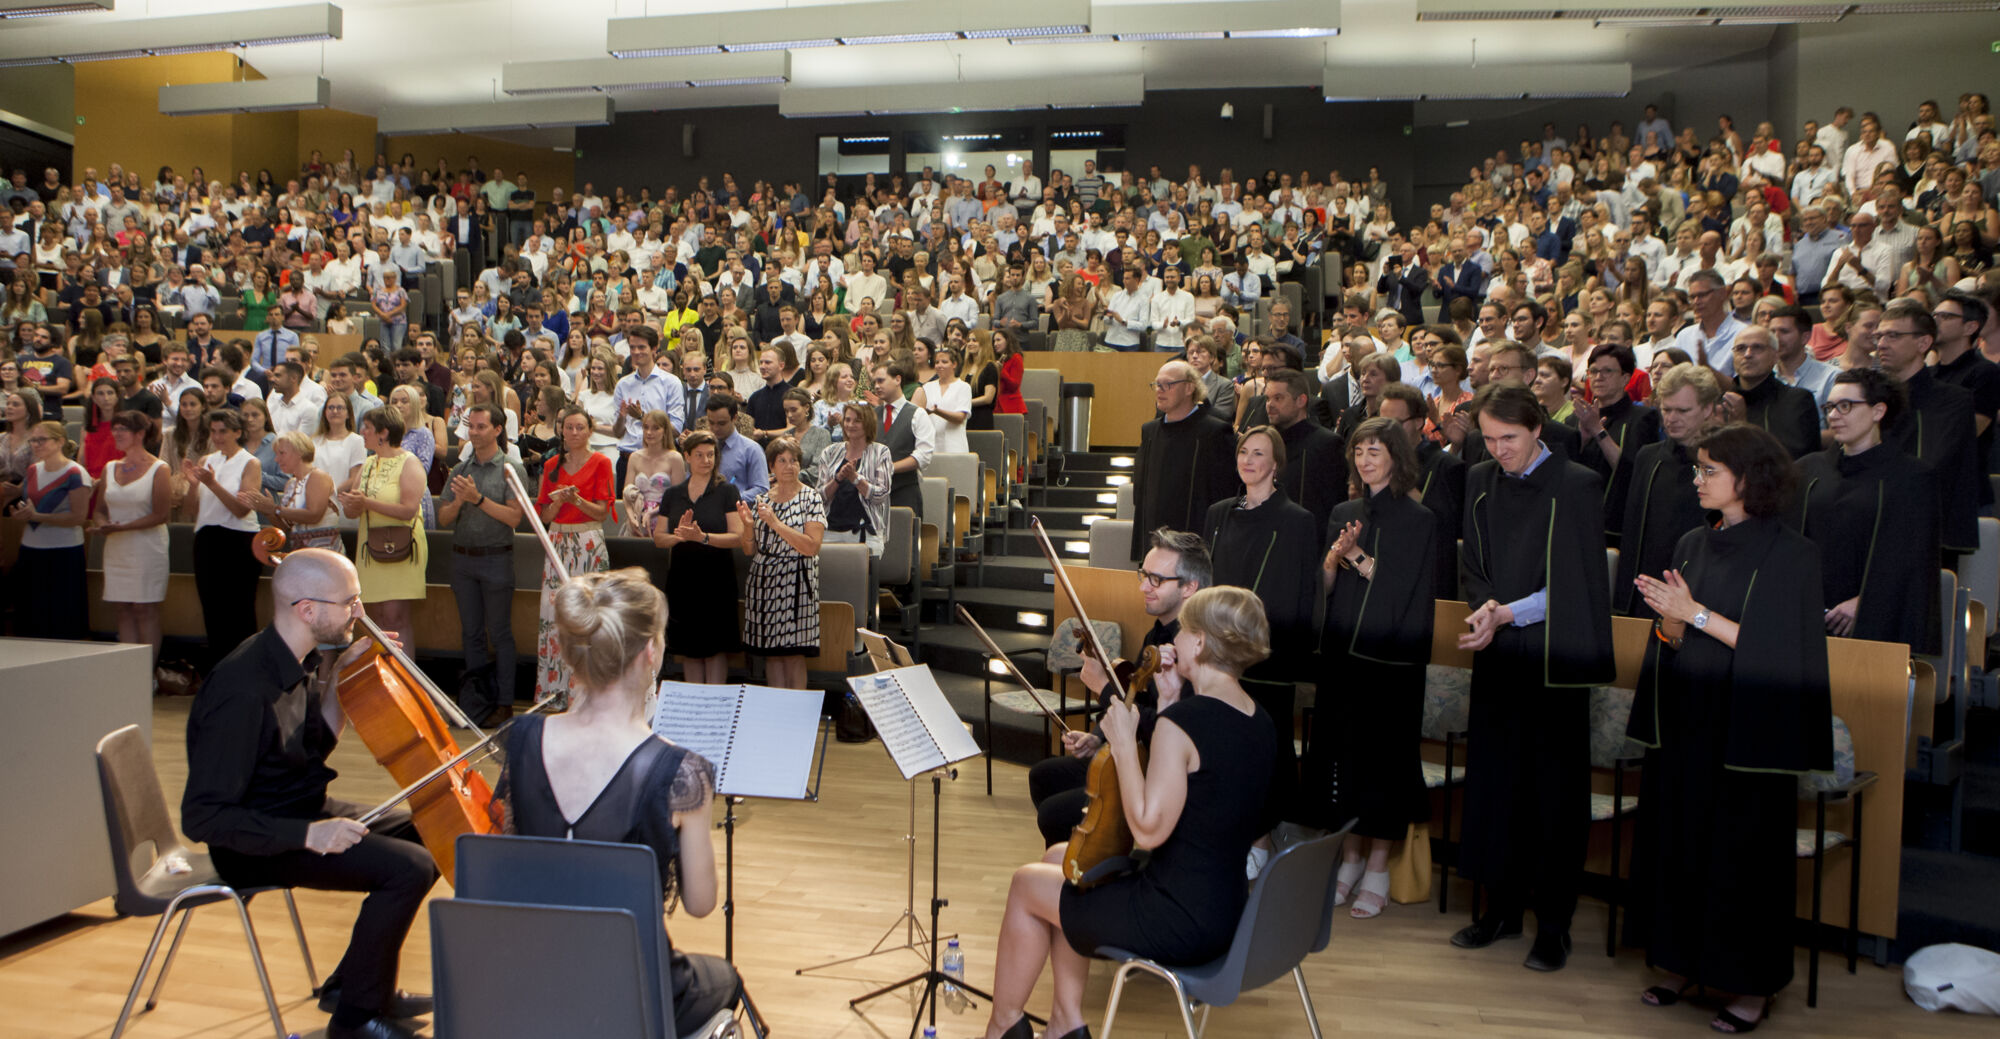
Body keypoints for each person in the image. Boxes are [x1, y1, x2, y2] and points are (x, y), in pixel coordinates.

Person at [978, 586, 1276, 1039]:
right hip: (1225, 907)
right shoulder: (1258, 718)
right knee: (1064, 858)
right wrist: (1172, 702)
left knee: (1024, 885)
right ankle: (1065, 1024)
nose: (1176, 643)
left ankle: (1002, 1027)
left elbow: (1148, 830)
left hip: (1175, 918)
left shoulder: (1186, 724)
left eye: (1185, 633)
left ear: (1200, 643)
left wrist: (1121, 740)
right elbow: (1200, 792)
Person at [180, 548, 439, 1039]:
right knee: (409, 868)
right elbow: (204, 818)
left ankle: (355, 984)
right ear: (308, 610)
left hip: (295, 809)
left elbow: (311, 749)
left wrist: (342, 677)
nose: (360, 613)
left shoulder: (297, 658)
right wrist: (309, 835)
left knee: (429, 826)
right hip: (253, 843)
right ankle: (357, 1019)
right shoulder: (241, 689)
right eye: (351, 603)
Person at [1628, 424, 1831, 1035]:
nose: (1698, 480)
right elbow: (1674, 635)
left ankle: (1749, 986)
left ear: (1748, 480)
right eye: (1698, 470)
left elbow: (1775, 650)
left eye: (1709, 470)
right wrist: (1671, 623)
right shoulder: (1693, 541)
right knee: (1680, 846)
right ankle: (1680, 962)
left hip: (1749, 733)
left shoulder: (1794, 554)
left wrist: (1692, 612)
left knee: (1741, 862)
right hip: (1689, 717)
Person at [494, 567, 744, 1035]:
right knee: (725, 979)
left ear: (571, 654)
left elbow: (511, 858)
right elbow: (701, 902)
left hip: (531, 971)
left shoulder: (522, 738)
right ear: (650, 652)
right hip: (634, 981)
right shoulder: (681, 770)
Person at [1453, 384, 1615, 973]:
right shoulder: (1479, 481)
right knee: (1497, 790)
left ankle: (1553, 927)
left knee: (1551, 800)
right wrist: (1483, 609)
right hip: (1499, 656)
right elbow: (1474, 567)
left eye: (1510, 439)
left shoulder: (1576, 486)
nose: (1499, 450)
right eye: (1489, 439)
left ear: (1538, 429)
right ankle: (1499, 911)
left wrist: (1505, 613)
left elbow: (1573, 587)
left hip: (1554, 661)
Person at [1305, 417, 1438, 919]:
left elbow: (1401, 589)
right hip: (1343, 658)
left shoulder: (1419, 518)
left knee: (1383, 765)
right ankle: (1350, 856)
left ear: (1397, 458)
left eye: (1375, 450)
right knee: (1342, 759)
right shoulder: (1343, 509)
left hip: (1391, 665)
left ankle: (1378, 863)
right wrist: (1334, 561)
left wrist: (1356, 555)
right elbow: (1328, 586)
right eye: (1359, 450)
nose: (1364, 459)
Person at [1027, 528, 1210, 847]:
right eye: (1144, 575)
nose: (1142, 586)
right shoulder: (1158, 634)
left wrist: (1103, 688)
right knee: (1043, 776)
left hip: (1157, 773)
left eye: (1155, 579)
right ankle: (1073, 863)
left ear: (1189, 588)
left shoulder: (1195, 652)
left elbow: (1167, 730)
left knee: (1054, 814)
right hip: (1136, 755)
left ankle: (1090, 868)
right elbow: (1134, 696)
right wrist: (1097, 737)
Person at [1202, 425, 1318, 838]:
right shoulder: (1218, 514)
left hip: (1268, 656)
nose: (1248, 460)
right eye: (1243, 452)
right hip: (1218, 653)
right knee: (1223, 747)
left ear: (1276, 464)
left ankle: (1271, 837)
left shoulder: (1298, 521)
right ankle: (1233, 833)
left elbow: (1302, 596)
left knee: (1268, 750)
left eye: (1258, 454)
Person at [1791, 369, 1941, 655]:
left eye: (1845, 405)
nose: (1834, 415)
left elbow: (1913, 557)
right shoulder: (1808, 469)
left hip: (1878, 617)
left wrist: (1865, 602)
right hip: (1808, 612)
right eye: (1830, 407)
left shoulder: (1913, 476)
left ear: (1878, 411)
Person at [437, 404, 529, 724]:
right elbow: (444, 518)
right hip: (463, 559)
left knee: (501, 633)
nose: (474, 432)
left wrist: (477, 500)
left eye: (480, 427)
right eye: (471, 427)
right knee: (471, 633)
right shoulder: (460, 470)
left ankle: (504, 703)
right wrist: (461, 500)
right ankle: (475, 700)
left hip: (496, 558)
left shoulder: (511, 469)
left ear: (498, 430)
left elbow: (515, 517)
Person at [1616, 363, 1723, 619]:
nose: (1672, 418)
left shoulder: (1728, 461)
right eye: (1667, 409)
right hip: (1647, 591)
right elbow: (1631, 531)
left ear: (1708, 409)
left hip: (1703, 595)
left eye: (1683, 410)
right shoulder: (1649, 457)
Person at [1876, 298, 1980, 560]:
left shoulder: (1952, 400)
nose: (1881, 344)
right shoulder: (1872, 394)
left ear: (1923, 343)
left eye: (1893, 335)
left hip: (1927, 529)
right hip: (1873, 518)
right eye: (1879, 335)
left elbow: (1934, 464)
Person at [535, 407, 616, 705]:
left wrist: (576, 499)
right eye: (568, 427)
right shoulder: (552, 465)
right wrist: (559, 503)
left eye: (580, 427)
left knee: (589, 613)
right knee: (555, 614)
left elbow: (602, 512)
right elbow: (544, 513)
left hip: (587, 540)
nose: (574, 433)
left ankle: (588, 691)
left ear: (590, 430)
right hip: (557, 538)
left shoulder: (602, 463)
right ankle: (555, 690)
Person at [651, 429, 745, 684]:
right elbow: (660, 538)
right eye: (700, 455)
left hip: (717, 577)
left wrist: (703, 537)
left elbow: (738, 536)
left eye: (711, 455)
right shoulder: (673, 494)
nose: (706, 460)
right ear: (687, 457)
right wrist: (681, 537)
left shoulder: (727, 491)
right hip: (683, 578)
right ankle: (694, 704)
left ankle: (714, 705)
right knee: (689, 649)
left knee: (714, 649)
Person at [737, 437, 825, 690]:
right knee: (772, 654)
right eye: (782, 461)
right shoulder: (763, 500)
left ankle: (796, 711)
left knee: (794, 653)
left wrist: (775, 523)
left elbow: (811, 546)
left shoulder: (811, 497)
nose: (789, 466)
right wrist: (747, 526)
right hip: (764, 580)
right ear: (771, 466)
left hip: (797, 579)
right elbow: (749, 548)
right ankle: (776, 710)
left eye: (794, 460)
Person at [1130, 360, 1238, 560]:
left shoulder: (1214, 432)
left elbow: (1224, 494)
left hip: (1195, 546)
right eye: (1157, 384)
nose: (1159, 390)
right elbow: (1141, 491)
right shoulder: (1150, 431)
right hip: (1155, 542)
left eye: (1168, 384)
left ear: (1189, 387)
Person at [340, 408, 427, 655]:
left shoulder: (409, 462)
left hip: (401, 548)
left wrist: (366, 503)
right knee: (375, 616)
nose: (362, 432)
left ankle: (407, 681)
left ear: (384, 432)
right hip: (370, 547)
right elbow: (353, 511)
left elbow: (409, 510)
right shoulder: (368, 463)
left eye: (367, 427)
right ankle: (381, 678)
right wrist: (350, 504)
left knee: (395, 616)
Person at [187, 407, 264, 670]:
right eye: (213, 431)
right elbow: (192, 511)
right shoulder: (207, 460)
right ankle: (219, 671)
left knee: (239, 609)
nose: (217, 437)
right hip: (208, 537)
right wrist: (192, 485)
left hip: (239, 541)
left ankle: (244, 670)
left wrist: (212, 484)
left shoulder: (249, 462)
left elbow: (242, 509)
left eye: (223, 431)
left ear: (237, 433)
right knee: (212, 608)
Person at [91, 411, 172, 661]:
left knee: (144, 608)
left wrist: (121, 528)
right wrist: (103, 525)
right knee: (122, 608)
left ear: (140, 434)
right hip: (117, 548)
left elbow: (161, 514)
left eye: (122, 429)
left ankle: (148, 673)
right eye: (114, 429)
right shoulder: (110, 467)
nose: (116, 434)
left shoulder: (160, 468)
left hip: (147, 547)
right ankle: (129, 670)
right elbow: (100, 510)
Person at [1378, 383, 1465, 599]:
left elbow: (1446, 530)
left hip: (1427, 578)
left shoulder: (1447, 466)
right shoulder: (1373, 462)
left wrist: (1402, 484)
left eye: (1395, 424)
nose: (1386, 431)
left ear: (1419, 422)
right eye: (1380, 423)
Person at [8, 420, 91, 638]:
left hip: (63, 551)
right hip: (31, 549)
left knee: (62, 615)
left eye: (41, 440)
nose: (35, 444)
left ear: (59, 441)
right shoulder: (33, 470)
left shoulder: (76, 472)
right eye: (33, 440)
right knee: (31, 614)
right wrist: (21, 514)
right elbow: (29, 505)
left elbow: (78, 517)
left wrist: (38, 516)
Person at [1572, 343, 1660, 539]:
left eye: (1607, 371)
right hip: (1577, 518)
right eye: (1593, 371)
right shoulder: (1577, 417)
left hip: (1615, 525)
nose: (1598, 377)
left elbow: (1632, 470)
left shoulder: (1642, 418)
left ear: (1625, 378)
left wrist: (1598, 431)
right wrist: (1582, 440)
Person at [1264, 368, 1348, 536]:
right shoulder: (1265, 441)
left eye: (1278, 398)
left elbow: (1334, 507)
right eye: (1267, 398)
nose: (1269, 405)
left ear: (1301, 400)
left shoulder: (1327, 444)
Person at [1728, 324, 1820, 459]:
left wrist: (1741, 427)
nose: (1747, 354)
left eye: (1757, 347)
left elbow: (1790, 460)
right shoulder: (1721, 403)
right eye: (1740, 348)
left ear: (1775, 356)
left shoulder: (1797, 401)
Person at [814, 402, 894, 557]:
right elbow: (820, 496)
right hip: (830, 531)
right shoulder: (829, 452)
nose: (850, 425)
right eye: (847, 420)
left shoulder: (881, 452)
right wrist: (838, 479)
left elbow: (881, 495)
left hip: (866, 532)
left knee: (862, 579)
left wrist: (855, 478)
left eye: (857, 420)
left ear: (868, 423)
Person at [620, 410, 687, 537]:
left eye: (656, 428)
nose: (649, 433)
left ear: (665, 431)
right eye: (646, 427)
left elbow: (677, 498)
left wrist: (652, 513)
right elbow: (627, 495)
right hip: (637, 519)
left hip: (664, 520)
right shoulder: (634, 457)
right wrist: (631, 517)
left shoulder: (675, 458)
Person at [917, 344, 972, 454]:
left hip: (955, 446)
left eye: (944, 362)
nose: (939, 365)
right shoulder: (927, 387)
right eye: (937, 362)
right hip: (931, 445)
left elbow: (960, 417)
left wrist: (937, 411)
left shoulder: (963, 387)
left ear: (954, 364)